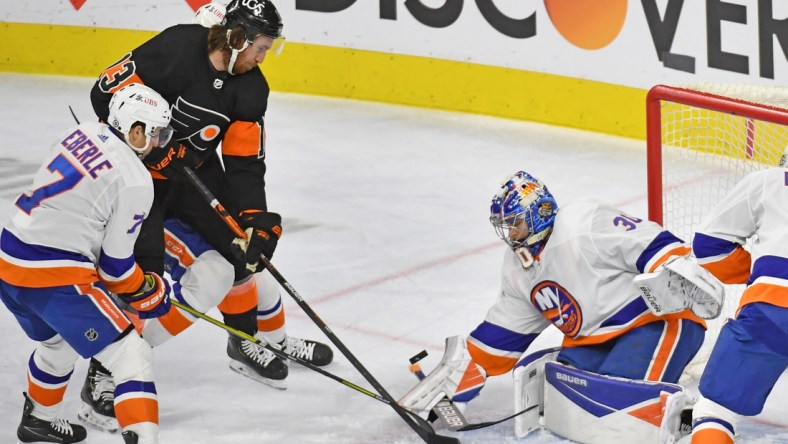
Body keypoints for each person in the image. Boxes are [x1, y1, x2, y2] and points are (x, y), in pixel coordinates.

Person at [79, 0, 335, 429]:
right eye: (260, 47)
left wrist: (254, 216)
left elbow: (244, 162)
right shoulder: (178, 46)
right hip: (136, 177)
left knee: (240, 248)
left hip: (192, 171)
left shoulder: (252, 88)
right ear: (236, 39)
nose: (262, 58)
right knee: (144, 273)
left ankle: (243, 340)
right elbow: (103, 92)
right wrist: (152, 147)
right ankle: (104, 372)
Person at [399, 170, 725, 441]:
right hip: (592, 341)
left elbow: (647, 243)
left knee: (614, 411)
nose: (510, 234)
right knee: (562, 391)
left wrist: (676, 264)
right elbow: (501, 336)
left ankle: (698, 418)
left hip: (656, 325)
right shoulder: (519, 268)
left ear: (539, 213)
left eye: (516, 224)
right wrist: (457, 380)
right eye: (506, 226)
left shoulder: (582, 222)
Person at [0, 84, 174, 444]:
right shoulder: (137, 180)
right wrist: (149, 290)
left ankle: (39, 421)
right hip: (53, 277)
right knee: (133, 356)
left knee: (59, 344)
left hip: (9, 259)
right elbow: (116, 270)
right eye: (155, 133)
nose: (159, 143)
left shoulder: (80, 132)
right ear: (135, 129)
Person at [688, 153, 788, 443]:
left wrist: (757, 275)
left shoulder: (768, 181)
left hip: (772, 306)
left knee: (715, 410)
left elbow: (709, 248)